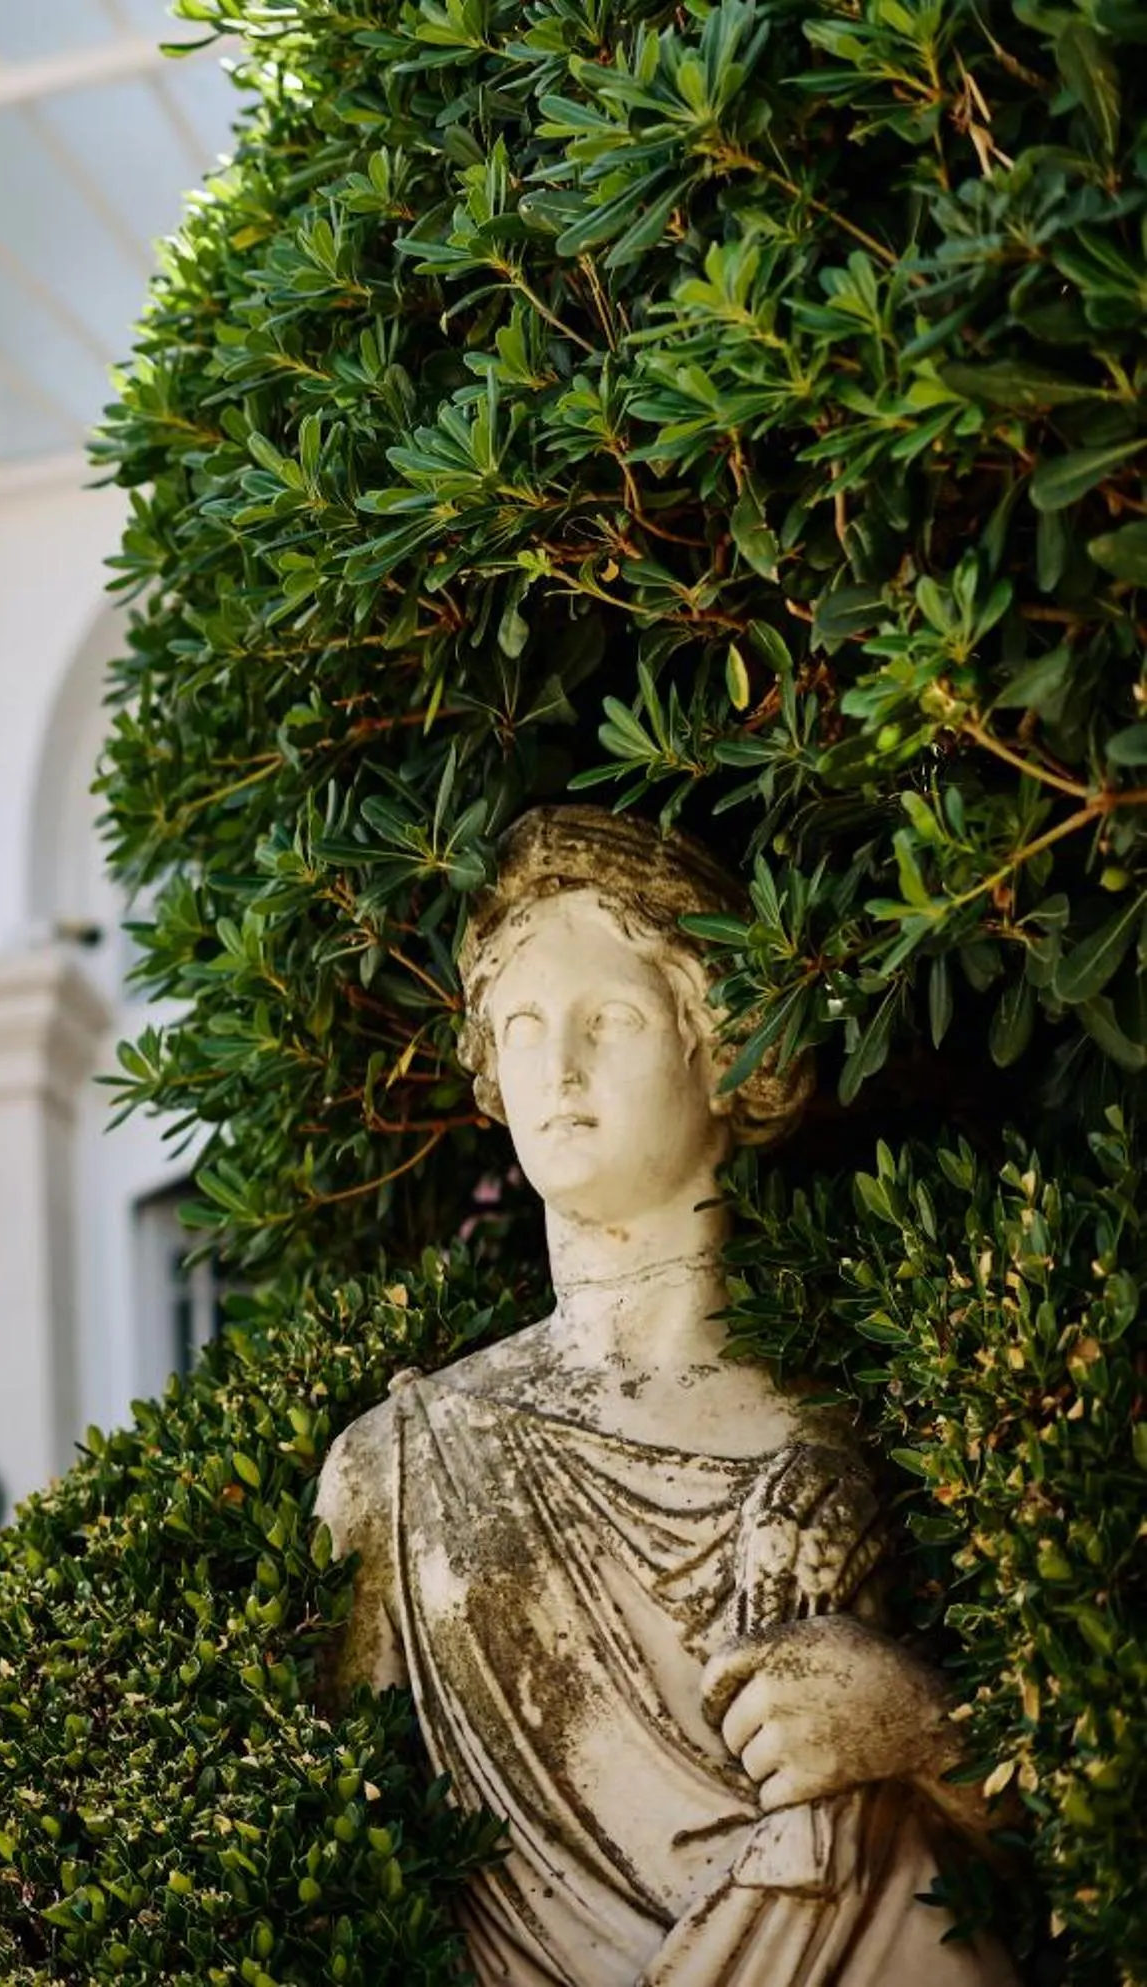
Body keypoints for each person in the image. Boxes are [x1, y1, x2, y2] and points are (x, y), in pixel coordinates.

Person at [314, 806, 1011, 1986]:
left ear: (721, 1048)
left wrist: (930, 1731)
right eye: (522, 1027)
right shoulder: (395, 1467)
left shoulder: (875, 1418)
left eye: (613, 1020)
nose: (559, 1070)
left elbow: (1093, 1817)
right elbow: (354, 1878)